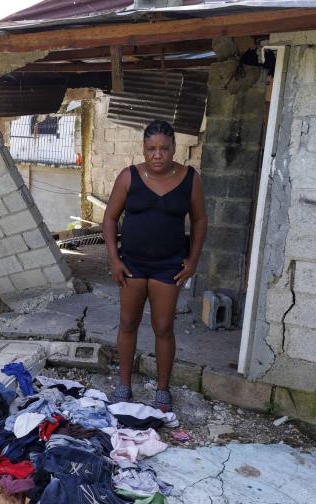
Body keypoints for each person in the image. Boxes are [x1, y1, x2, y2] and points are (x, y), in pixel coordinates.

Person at [101, 119, 207, 413]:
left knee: (163, 327)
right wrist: (114, 259)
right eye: (151, 149)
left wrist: (192, 260)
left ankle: (162, 391)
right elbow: (109, 218)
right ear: (143, 150)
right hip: (132, 264)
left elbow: (199, 220)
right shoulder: (128, 177)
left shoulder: (190, 179)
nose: (157, 154)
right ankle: (124, 385)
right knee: (128, 323)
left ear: (174, 149)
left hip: (169, 266)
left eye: (164, 148)